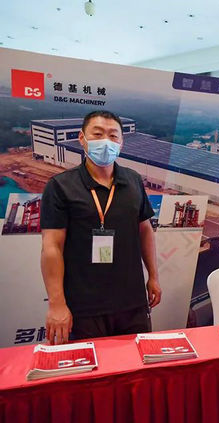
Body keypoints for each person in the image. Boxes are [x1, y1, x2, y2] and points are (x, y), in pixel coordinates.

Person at [40, 110, 161, 344]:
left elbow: (145, 230)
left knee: (133, 362)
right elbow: (51, 247)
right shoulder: (61, 186)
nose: (106, 141)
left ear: (121, 143)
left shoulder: (133, 181)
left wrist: (153, 276)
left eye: (113, 136)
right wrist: (56, 304)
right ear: (82, 138)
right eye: (97, 134)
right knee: (91, 365)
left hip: (132, 302)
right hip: (84, 306)